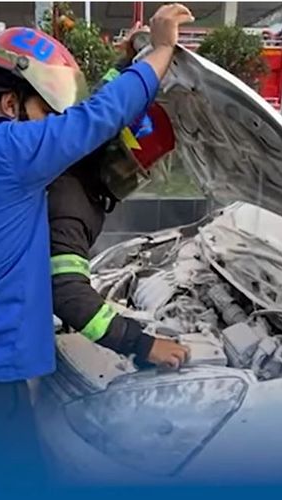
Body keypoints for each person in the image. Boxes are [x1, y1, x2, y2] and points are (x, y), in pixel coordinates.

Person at [0, 4, 193, 493]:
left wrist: (121, 61)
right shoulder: (8, 154)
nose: (52, 128)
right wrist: (160, 49)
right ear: (10, 104)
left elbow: (82, 118)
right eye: (46, 113)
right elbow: (98, 117)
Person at [49, 26, 190, 369]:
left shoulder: (75, 161)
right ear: (108, 149)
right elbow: (67, 293)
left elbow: (102, 101)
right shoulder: (69, 202)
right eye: (127, 165)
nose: (128, 178)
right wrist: (142, 344)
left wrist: (126, 62)